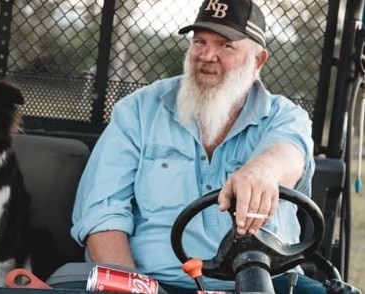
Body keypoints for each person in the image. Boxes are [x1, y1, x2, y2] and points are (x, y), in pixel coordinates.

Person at [71, 0, 328, 293]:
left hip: (268, 282)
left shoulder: (285, 116)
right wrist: (133, 287)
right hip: (158, 284)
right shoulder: (138, 111)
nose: (207, 55)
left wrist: (262, 173)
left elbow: (288, 152)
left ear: (258, 61)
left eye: (225, 45)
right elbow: (102, 213)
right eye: (200, 42)